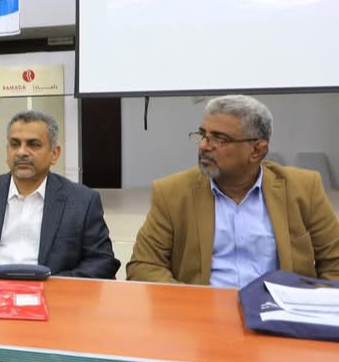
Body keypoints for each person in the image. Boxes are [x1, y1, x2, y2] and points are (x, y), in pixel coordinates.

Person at [127, 94, 339, 287]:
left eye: (219, 139)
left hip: (280, 311)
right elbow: (144, 266)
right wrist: (192, 304)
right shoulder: (172, 192)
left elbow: (335, 262)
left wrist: (311, 304)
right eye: (203, 135)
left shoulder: (303, 188)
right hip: (203, 310)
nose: (203, 146)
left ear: (257, 150)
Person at [0, 110, 119, 278]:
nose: (21, 152)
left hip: (52, 291)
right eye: (14, 144)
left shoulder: (82, 201)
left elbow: (102, 261)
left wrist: (53, 286)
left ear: (54, 154)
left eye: (33, 145)